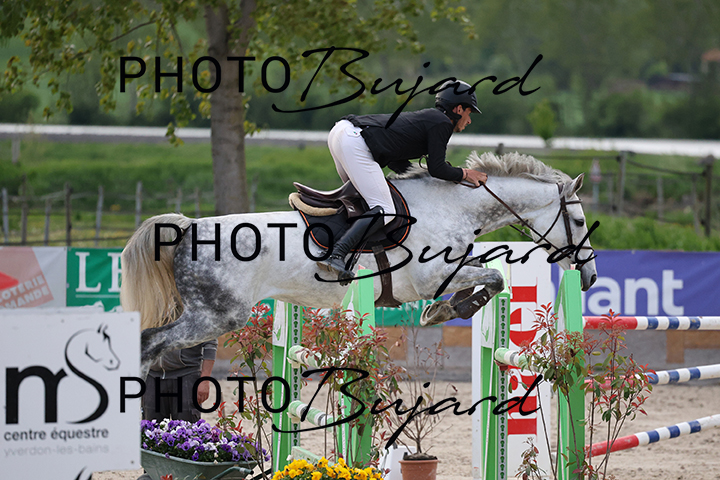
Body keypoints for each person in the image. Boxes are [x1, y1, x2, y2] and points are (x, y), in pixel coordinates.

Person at [317, 79, 488, 283]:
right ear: (459, 109)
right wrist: (466, 174)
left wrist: (421, 178)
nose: (469, 120)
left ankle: (341, 248)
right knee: (385, 210)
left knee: (361, 203)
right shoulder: (442, 123)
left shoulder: (431, 118)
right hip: (354, 140)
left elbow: (398, 162)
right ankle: (335, 254)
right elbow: (437, 168)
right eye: (469, 113)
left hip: (342, 132)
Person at [142, 339, 217, 423]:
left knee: (186, 427)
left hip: (186, 375)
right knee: (152, 427)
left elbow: (210, 342)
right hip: (152, 376)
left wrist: (204, 380)